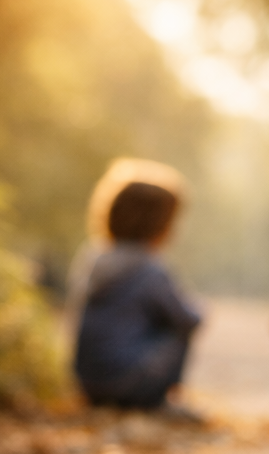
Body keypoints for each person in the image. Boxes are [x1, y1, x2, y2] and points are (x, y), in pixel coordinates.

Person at [69, 158, 202, 416]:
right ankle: (159, 401)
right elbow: (187, 318)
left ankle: (110, 397)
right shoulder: (149, 269)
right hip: (131, 384)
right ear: (160, 224)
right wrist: (201, 310)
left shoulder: (94, 258)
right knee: (179, 329)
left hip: (87, 383)